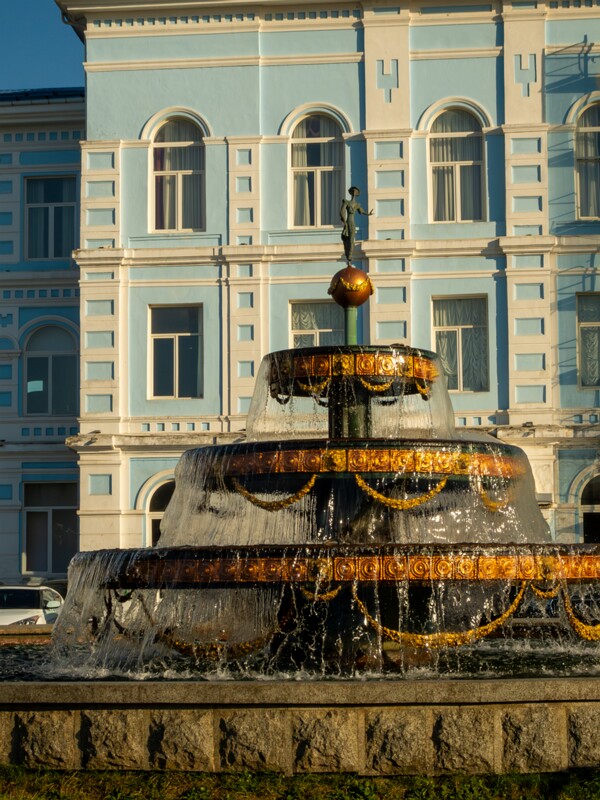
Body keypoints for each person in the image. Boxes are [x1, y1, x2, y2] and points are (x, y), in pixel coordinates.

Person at [340, 186, 373, 263]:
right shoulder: (347, 202)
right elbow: (342, 212)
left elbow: (361, 211)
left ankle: (350, 255)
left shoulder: (357, 205)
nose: (354, 193)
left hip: (352, 224)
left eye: (356, 192)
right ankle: (348, 254)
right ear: (351, 193)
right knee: (347, 240)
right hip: (347, 223)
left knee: (351, 240)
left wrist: (368, 214)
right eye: (353, 191)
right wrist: (344, 222)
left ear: (356, 194)